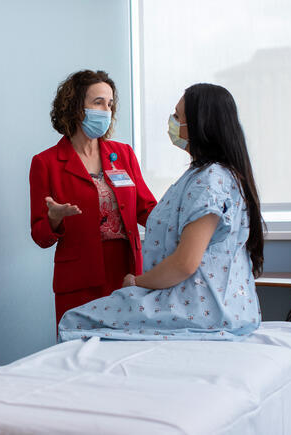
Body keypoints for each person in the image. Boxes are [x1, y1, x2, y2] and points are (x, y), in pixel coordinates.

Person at [59, 83, 265, 342]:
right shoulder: (204, 175)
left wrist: (138, 282)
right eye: (98, 102)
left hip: (196, 305)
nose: (172, 122)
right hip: (206, 301)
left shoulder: (210, 179)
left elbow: (185, 263)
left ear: (201, 125)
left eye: (178, 117)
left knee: (75, 321)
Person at [29, 70, 157, 329]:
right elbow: (40, 236)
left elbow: (147, 208)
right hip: (79, 279)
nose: (106, 110)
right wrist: (53, 219)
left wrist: (185, 220)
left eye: (110, 104)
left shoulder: (123, 154)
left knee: (128, 352)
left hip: (127, 273)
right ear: (76, 106)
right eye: (98, 102)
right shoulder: (46, 163)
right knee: (79, 355)